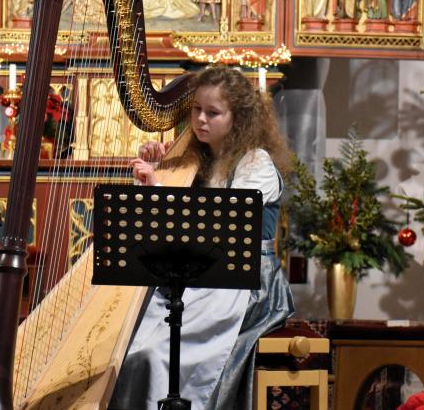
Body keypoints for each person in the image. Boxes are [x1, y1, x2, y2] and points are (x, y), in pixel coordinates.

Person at [111, 66, 295, 410]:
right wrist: (158, 168)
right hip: (201, 277)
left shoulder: (256, 163)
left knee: (155, 354)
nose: (201, 120)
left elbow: (218, 223)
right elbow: (163, 225)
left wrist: (160, 187)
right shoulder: (200, 158)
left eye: (213, 113)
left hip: (246, 282)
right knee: (126, 349)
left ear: (238, 118)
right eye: (196, 110)